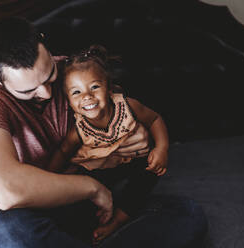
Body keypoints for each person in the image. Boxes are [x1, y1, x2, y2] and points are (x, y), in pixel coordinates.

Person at [0, 16, 207, 248]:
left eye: (50, 75)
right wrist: (92, 187)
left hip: (82, 208)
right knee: (11, 234)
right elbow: (5, 191)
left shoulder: (73, 71)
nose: (47, 93)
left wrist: (136, 136)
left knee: (188, 215)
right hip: (22, 213)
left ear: (45, 44)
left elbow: (122, 113)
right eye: (30, 91)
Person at [46, 44, 168, 244]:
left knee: (149, 173)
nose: (87, 96)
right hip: (100, 169)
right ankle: (97, 217)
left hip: (132, 161)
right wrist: (49, 178)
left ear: (108, 87)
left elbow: (155, 119)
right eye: (76, 92)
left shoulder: (128, 106)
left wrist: (161, 148)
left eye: (94, 87)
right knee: (81, 195)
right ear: (68, 100)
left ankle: (118, 220)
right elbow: (63, 151)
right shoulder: (78, 130)